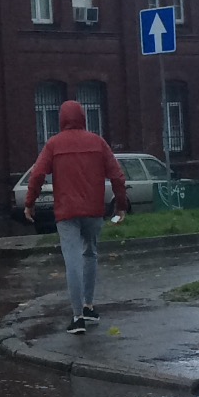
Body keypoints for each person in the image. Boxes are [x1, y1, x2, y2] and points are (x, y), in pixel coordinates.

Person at [23, 99, 129, 334]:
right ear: (83, 117)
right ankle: (89, 306)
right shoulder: (97, 142)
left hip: (66, 212)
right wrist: (120, 206)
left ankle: (77, 317)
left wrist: (29, 203)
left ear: (61, 119)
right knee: (90, 253)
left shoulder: (54, 144)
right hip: (93, 211)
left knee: (72, 260)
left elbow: (38, 174)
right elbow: (118, 177)